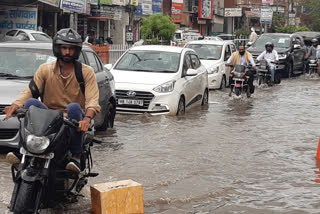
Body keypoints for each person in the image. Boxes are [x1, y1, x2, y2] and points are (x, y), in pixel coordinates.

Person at [4, 28, 101, 174]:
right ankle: (21, 151)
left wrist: (87, 119)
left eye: (71, 49)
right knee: (30, 104)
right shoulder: (45, 69)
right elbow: (30, 91)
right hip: (48, 120)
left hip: (72, 121)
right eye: (64, 48)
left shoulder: (86, 72)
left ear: (77, 51)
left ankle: (75, 156)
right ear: (57, 48)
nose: (67, 52)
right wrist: (16, 105)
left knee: (74, 107)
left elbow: (93, 100)